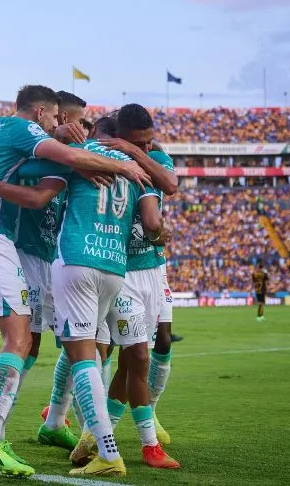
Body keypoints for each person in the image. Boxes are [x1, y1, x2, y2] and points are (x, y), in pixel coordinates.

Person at [0, 85, 151, 476]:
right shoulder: (25, 132)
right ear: (41, 113)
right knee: (20, 339)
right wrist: (122, 163)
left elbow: (56, 167)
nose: (60, 125)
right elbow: (62, 162)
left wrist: (84, 163)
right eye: (55, 119)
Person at [0, 91, 94, 453]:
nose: (82, 127)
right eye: (75, 120)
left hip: (58, 257)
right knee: (30, 343)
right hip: (28, 254)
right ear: (52, 117)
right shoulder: (31, 153)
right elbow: (36, 194)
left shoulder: (60, 156)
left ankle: (57, 420)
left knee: (80, 339)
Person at [92, 105, 180, 469]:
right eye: (137, 141)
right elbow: (150, 225)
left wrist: (138, 152)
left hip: (154, 272)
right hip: (119, 268)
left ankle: (125, 424)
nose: (147, 145)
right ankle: (138, 443)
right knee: (131, 354)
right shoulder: (104, 161)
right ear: (121, 135)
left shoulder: (153, 157)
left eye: (149, 139)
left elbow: (170, 186)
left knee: (148, 350)